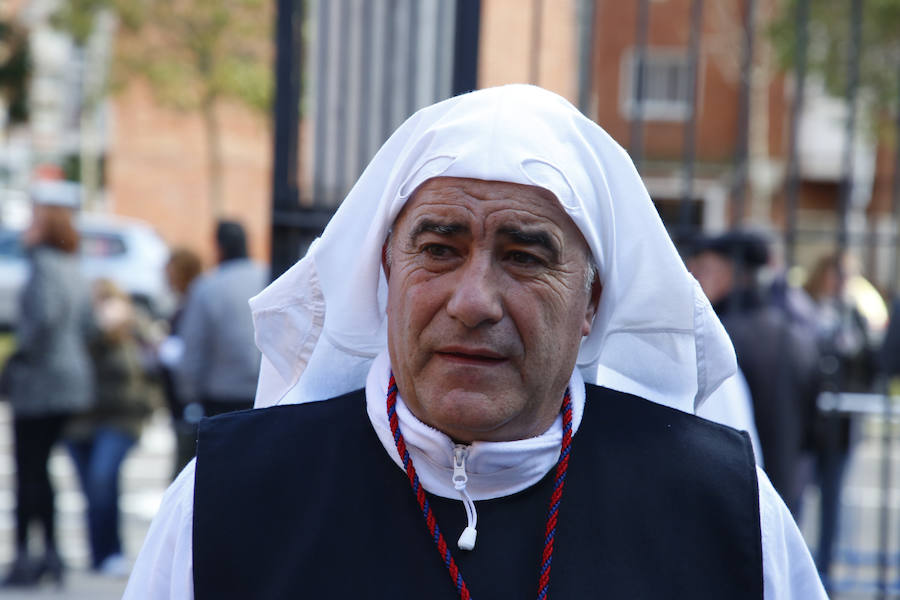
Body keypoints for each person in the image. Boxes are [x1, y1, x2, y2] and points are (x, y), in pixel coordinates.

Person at [125, 85, 826, 599]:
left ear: (592, 303)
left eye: (525, 256)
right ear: (385, 272)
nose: (472, 302)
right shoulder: (230, 498)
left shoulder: (722, 511)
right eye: (438, 248)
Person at [687, 230, 821, 515]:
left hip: (733, 498)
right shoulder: (795, 334)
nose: (694, 276)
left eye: (705, 268)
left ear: (732, 273)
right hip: (785, 492)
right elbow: (813, 429)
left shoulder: (717, 338)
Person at [2, 181, 94, 587]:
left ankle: (26, 557)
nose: (25, 230)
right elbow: (88, 325)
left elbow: (42, 320)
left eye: (33, 222)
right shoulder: (76, 267)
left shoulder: (43, 265)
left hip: (41, 382)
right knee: (44, 471)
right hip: (72, 380)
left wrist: (20, 354)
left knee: (29, 473)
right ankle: (52, 556)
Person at [64, 278, 152, 577]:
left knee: (103, 478)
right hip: (80, 422)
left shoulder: (131, 332)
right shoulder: (83, 333)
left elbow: (146, 371)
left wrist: (121, 329)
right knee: (92, 488)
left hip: (120, 419)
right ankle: (98, 554)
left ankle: (111, 552)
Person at [803, 252, 876, 584]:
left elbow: (871, 368)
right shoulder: (804, 308)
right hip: (807, 423)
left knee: (833, 500)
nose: (842, 280)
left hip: (841, 425)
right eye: (837, 273)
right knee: (794, 496)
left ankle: (826, 570)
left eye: (848, 275)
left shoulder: (855, 315)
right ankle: (797, 567)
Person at [174, 221, 266, 418]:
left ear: (219, 247)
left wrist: (189, 396)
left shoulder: (207, 288)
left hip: (222, 397)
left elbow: (194, 348)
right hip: (266, 392)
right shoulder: (269, 277)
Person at [157, 247, 204, 477]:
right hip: (180, 401)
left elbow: (190, 352)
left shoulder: (195, 304)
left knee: (185, 469)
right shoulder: (185, 304)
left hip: (189, 403)